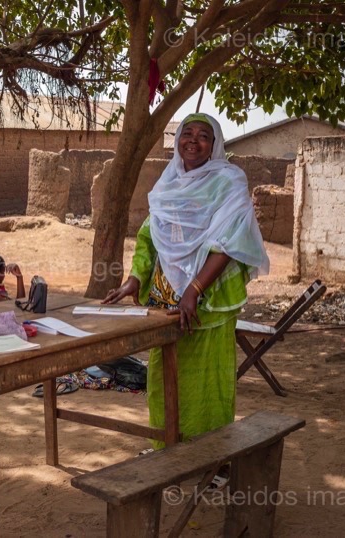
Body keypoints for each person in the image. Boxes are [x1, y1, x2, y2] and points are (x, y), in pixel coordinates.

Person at [103, 113, 269, 449]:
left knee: (207, 382)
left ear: (215, 145)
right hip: (166, 302)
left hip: (207, 302)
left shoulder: (228, 181)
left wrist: (193, 290)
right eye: (186, 133)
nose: (193, 140)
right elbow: (149, 236)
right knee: (164, 377)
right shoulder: (168, 184)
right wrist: (135, 278)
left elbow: (229, 243)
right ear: (177, 140)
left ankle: (211, 459)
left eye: (203, 135)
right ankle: (166, 450)